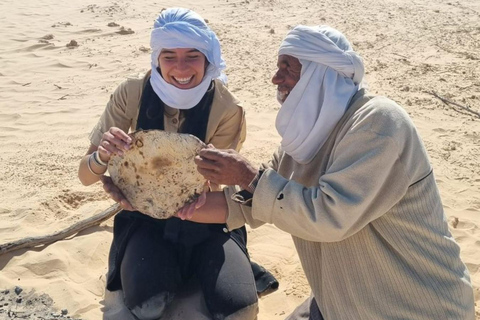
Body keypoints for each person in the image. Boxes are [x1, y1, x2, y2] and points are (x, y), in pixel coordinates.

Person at [178, 25, 476, 319]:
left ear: (322, 73)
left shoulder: (378, 123)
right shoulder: (303, 138)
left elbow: (329, 217)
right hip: (342, 301)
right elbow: (243, 205)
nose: (275, 78)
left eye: (288, 68)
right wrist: (162, 203)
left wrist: (248, 176)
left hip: (414, 308)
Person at [78, 8, 260, 320]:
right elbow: (85, 175)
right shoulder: (132, 93)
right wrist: (103, 157)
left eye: (192, 56)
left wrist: (197, 198)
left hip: (206, 222)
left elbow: (215, 186)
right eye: (169, 56)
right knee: (148, 307)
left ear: (207, 58)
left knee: (237, 310)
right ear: (156, 59)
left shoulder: (227, 108)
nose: (181, 68)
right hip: (144, 220)